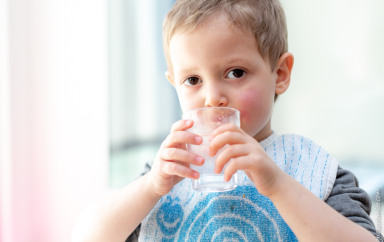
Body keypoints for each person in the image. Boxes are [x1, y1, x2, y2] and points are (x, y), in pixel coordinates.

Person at [72, 0, 384, 241]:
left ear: (280, 74)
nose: (212, 98)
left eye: (235, 73)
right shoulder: (167, 173)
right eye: (193, 79)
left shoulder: (312, 169)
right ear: (173, 84)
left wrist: (277, 185)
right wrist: (151, 187)